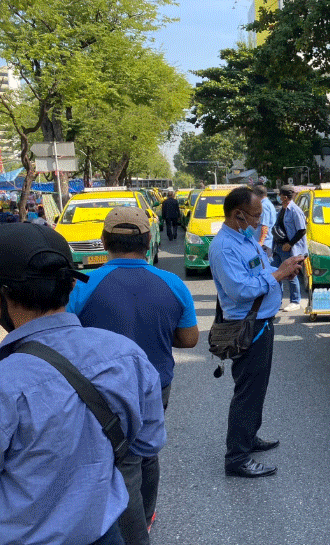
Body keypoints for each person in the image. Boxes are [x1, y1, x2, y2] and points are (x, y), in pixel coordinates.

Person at [0, 223, 165, 545]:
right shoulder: (126, 354)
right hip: (105, 533)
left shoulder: (7, 380)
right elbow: (147, 444)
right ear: (72, 284)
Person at [67, 207, 198, 543]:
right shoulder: (173, 283)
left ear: (103, 240)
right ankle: (145, 514)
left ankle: (124, 525)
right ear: (148, 240)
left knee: (112, 455)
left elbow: (67, 336)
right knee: (145, 451)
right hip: (155, 385)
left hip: (97, 390)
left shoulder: (83, 285)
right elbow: (189, 339)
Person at [207, 186, 304, 478]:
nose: (259, 221)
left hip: (261, 323)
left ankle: (248, 437)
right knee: (247, 393)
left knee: (257, 389)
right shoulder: (225, 247)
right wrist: (279, 274)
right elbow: (240, 290)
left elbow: (258, 273)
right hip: (247, 327)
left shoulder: (245, 238)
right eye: (255, 215)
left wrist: (282, 269)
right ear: (238, 214)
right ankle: (237, 458)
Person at [272, 185, 307, 312]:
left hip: (289, 249)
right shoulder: (282, 209)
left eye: (280, 194)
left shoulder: (295, 210)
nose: (278, 196)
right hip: (278, 247)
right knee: (275, 273)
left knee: (291, 275)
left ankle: (295, 301)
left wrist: (290, 244)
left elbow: (302, 230)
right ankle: (276, 301)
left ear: (285, 197)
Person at [254, 184, 276, 259]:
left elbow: (265, 226)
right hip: (267, 242)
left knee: (264, 263)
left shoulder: (263, 206)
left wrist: (260, 242)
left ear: (256, 195)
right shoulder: (269, 204)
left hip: (264, 244)